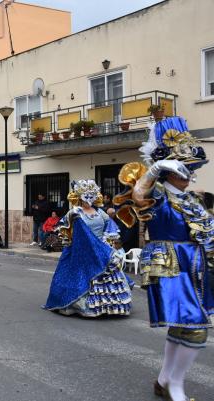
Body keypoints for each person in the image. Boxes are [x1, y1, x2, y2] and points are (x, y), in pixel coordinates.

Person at [114, 116, 213, 401]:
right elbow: (137, 195)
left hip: (195, 266)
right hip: (170, 264)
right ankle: (176, 386)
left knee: (182, 327)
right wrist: (154, 169)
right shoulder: (156, 193)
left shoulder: (193, 199)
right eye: (184, 171)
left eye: (191, 171)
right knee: (196, 329)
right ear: (169, 171)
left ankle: (164, 381)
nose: (189, 176)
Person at [44, 179, 133, 317]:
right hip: (80, 251)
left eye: (92, 195)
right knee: (80, 277)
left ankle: (107, 306)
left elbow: (109, 226)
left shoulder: (99, 212)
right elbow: (65, 231)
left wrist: (106, 240)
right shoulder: (74, 212)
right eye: (86, 195)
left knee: (106, 276)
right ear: (79, 196)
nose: (89, 198)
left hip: (100, 250)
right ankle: (79, 305)